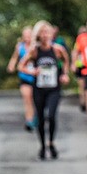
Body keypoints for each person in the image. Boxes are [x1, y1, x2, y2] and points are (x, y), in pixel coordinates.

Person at [18, 20, 70, 160]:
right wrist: (33, 72)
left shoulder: (57, 49)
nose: (45, 35)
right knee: (40, 118)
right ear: (38, 35)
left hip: (54, 88)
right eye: (42, 32)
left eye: (47, 31)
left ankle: (51, 142)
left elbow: (66, 61)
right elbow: (21, 66)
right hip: (39, 88)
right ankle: (42, 145)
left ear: (51, 33)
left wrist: (65, 74)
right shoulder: (34, 51)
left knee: (51, 116)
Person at [6, 26, 36, 131]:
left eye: (29, 35)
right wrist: (11, 65)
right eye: (25, 35)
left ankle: (35, 115)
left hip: (36, 77)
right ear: (23, 37)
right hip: (24, 77)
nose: (27, 37)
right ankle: (29, 120)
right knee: (27, 98)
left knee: (35, 99)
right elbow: (14, 57)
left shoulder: (36, 47)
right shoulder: (20, 46)